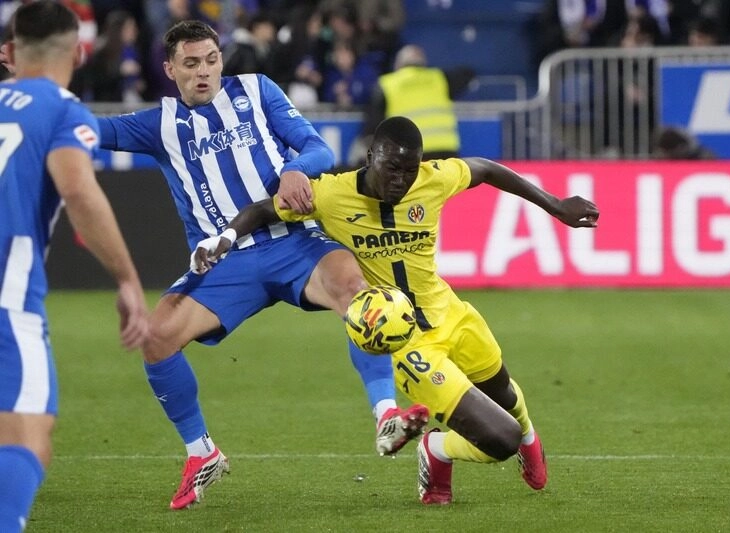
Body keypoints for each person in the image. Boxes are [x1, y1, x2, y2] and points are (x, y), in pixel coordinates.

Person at [96, 20, 427, 510]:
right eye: (191, 64)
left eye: (210, 59)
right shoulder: (157, 124)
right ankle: (201, 453)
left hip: (294, 240)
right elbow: (85, 129)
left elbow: (318, 147)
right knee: (157, 336)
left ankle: (386, 417)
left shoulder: (257, 91)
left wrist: (297, 168)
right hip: (226, 259)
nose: (203, 72)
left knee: (359, 295)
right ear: (170, 70)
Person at [192, 116, 600, 504]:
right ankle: (437, 446)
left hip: (451, 314)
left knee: (507, 396)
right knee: (499, 440)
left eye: (409, 170)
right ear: (371, 157)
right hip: (406, 343)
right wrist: (225, 237)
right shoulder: (333, 194)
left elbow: (487, 169)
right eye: (393, 168)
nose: (402, 181)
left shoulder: (433, 179)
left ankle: (528, 438)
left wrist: (554, 205)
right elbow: (265, 210)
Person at [0, 2, 149, 531]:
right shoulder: (63, 111)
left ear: (10, 53)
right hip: (6, 302)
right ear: (80, 52)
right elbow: (80, 194)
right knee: (29, 438)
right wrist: (129, 280)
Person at [349, 44, 475, 167]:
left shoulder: (387, 84)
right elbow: (469, 74)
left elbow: (373, 124)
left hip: (411, 153)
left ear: (398, 64)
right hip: (447, 152)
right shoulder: (439, 78)